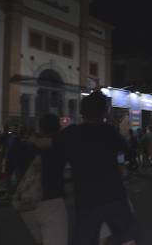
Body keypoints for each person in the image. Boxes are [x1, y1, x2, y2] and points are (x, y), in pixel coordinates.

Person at [54, 91, 138, 245]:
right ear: (104, 112)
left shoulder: (71, 134)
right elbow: (129, 153)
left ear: (82, 112)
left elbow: (54, 152)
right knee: (127, 236)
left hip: (86, 198)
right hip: (114, 194)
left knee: (86, 238)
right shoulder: (109, 131)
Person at [18, 114, 68, 245]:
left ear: (40, 128)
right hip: (52, 199)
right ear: (58, 128)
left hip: (27, 202)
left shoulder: (26, 146)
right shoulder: (59, 146)